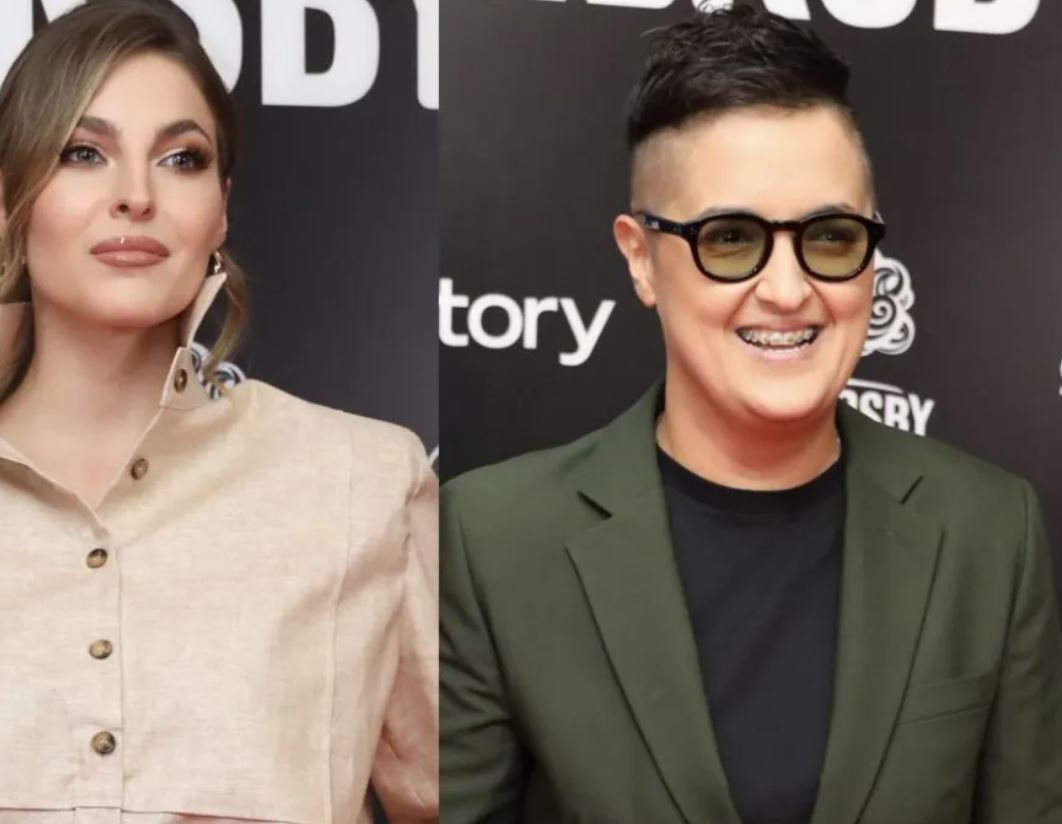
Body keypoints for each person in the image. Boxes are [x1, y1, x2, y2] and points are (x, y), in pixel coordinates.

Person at [0, 2, 437, 822]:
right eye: (84, 153)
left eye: (181, 159)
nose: (136, 196)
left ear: (220, 207)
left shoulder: (364, 482)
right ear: (3, 200)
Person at [439, 5, 1062, 822]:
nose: (788, 290)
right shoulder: (492, 540)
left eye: (830, 236)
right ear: (640, 258)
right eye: (730, 239)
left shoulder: (991, 531)